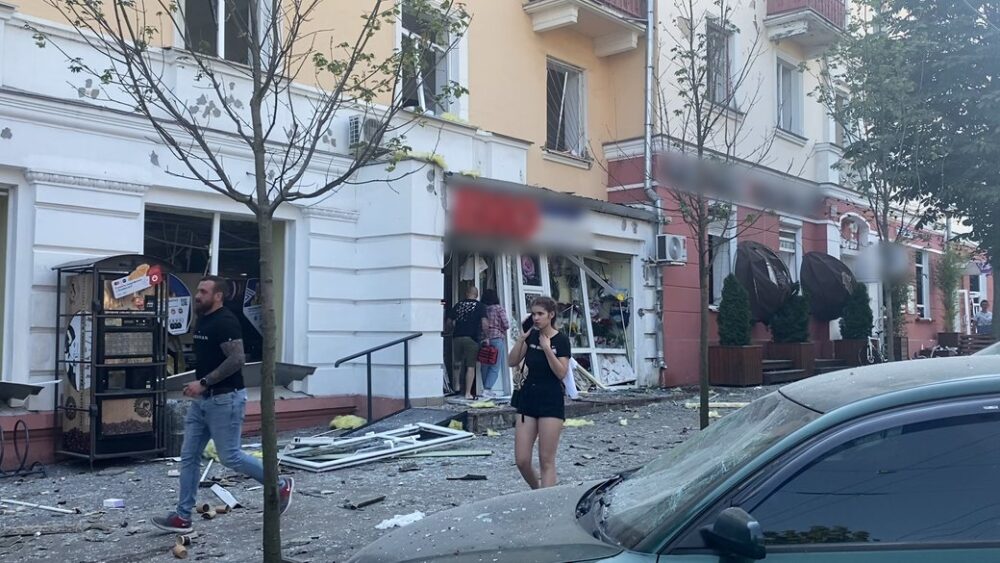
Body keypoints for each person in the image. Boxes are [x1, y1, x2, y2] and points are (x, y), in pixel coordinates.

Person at [152, 276, 294, 533]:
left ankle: (280, 485)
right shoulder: (204, 319)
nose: (197, 295)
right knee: (189, 456)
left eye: (203, 292)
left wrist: (203, 382)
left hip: (225, 400)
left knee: (230, 456)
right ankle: (183, 517)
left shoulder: (226, 321)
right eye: (198, 290)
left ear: (218, 296)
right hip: (202, 401)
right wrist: (199, 386)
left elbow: (237, 359)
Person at [507, 296, 570, 489]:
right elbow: (511, 361)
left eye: (540, 314)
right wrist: (521, 339)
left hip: (550, 401)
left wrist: (547, 349)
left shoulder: (561, 340)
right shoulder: (531, 336)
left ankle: (546, 500)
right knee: (522, 460)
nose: (536, 318)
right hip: (528, 399)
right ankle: (537, 492)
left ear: (551, 315)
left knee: (546, 460)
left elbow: (561, 372)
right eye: (533, 314)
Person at [447, 286, 488, 400]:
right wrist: (486, 336)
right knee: (470, 366)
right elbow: (484, 323)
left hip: (457, 337)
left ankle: (456, 388)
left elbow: (449, 321)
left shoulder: (458, 305)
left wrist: (449, 331)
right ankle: (468, 393)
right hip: (472, 338)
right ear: (477, 295)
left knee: (457, 363)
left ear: (466, 293)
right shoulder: (480, 306)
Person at [480, 289, 510, 397]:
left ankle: (484, 387)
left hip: (484, 339)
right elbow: (506, 324)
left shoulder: (482, 309)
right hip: (497, 337)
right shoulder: (498, 308)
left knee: (484, 364)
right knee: (495, 365)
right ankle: (487, 389)